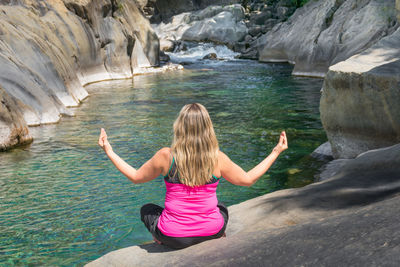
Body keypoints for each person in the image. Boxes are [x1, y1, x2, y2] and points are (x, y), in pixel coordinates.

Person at [98, 103, 288, 249]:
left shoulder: (166, 156)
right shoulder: (217, 158)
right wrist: (276, 151)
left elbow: (135, 176)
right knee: (221, 207)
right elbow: (248, 179)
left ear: (179, 126)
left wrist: (110, 151)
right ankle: (214, 235)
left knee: (147, 209)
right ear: (208, 128)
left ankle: (159, 239)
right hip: (211, 232)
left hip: (172, 237)